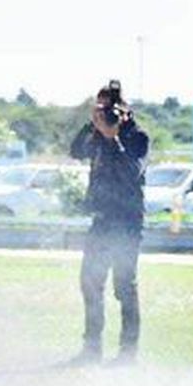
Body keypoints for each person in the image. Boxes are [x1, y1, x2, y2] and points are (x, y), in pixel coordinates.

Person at [69, 80, 149, 364]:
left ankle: (128, 353)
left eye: (110, 109)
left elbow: (131, 171)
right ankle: (91, 349)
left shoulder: (137, 137)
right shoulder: (97, 137)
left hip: (127, 222)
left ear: (125, 110)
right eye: (101, 108)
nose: (106, 114)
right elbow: (75, 151)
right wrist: (93, 125)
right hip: (102, 220)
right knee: (90, 282)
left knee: (124, 286)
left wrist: (113, 135)